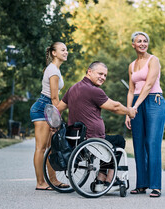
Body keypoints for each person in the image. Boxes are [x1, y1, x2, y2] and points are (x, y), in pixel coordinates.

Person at [57, 61, 136, 190]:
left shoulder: (73, 88)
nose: (103, 77)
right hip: (92, 139)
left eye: (105, 75)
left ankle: (101, 179)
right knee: (119, 141)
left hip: (76, 139)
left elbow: (59, 108)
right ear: (89, 71)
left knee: (109, 142)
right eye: (100, 73)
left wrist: (57, 124)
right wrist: (129, 111)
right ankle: (107, 180)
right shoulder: (93, 90)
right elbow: (115, 107)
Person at [125, 31, 165, 197]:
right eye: (139, 41)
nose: (142, 43)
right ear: (133, 45)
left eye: (145, 41)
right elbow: (130, 90)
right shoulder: (132, 65)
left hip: (153, 102)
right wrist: (128, 112)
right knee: (138, 143)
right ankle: (141, 184)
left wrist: (135, 106)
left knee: (152, 143)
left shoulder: (153, 60)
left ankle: (156, 185)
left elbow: (149, 85)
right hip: (136, 104)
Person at [30, 42, 69, 191]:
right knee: (40, 148)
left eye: (66, 50)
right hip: (42, 108)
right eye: (62, 50)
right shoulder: (53, 70)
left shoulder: (55, 69)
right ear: (54, 53)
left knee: (50, 148)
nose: (66, 52)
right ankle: (40, 183)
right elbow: (54, 98)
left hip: (47, 107)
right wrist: (56, 121)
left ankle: (53, 180)